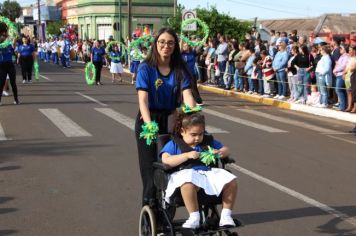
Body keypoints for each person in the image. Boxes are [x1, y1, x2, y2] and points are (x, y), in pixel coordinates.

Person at [135, 27, 196, 206]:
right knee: (150, 167)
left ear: (175, 46)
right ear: (156, 44)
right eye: (162, 42)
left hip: (171, 119)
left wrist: (193, 116)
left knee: (171, 165)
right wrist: (149, 126)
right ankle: (149, 206)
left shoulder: (180, 69)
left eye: (170, 43)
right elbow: (143, 101)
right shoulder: (146, 68)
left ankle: (169, 204)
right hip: (148, 118)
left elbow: (188, 96)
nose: (166, 46)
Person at [160, 111, 237, 229]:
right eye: (193, 134)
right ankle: (194, 217)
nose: (197, 138)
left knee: (231, 181)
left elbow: (226, 149)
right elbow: (166, 160)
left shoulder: (208, 141)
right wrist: (186, 156)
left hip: (207, 173)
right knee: (187, 183)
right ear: (182, 131)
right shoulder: (174, 143)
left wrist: (220, 153)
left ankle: (226, 215)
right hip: (186, 173)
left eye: (200, 134)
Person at [0, 22, 19, 105]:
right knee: (1, 83)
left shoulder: (10, 45)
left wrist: (14, 32)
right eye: (2, 36)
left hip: (10, 65)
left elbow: (14, 39)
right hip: (1, 66)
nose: (3, 37)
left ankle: (16, 99)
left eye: (4, 36)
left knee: (13, 83)